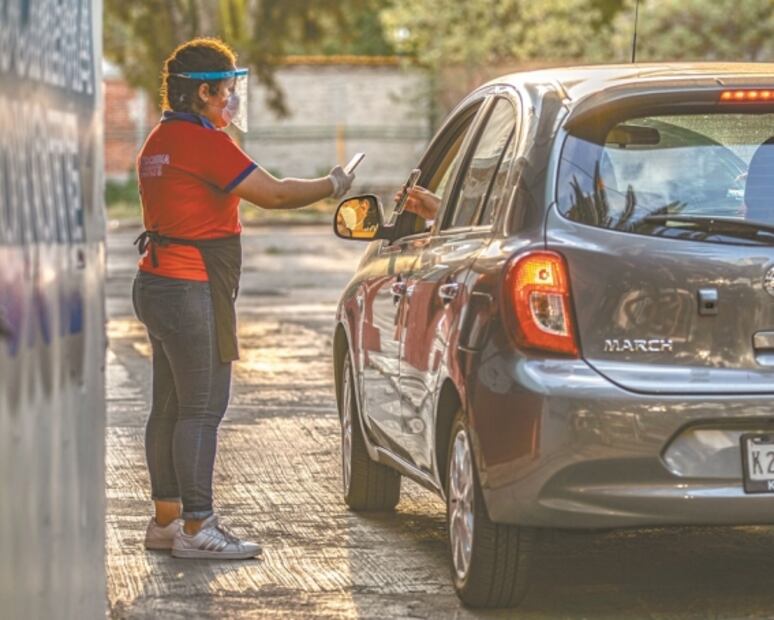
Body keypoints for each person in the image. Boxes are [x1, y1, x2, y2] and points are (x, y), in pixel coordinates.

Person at [132, 37, 355, 560]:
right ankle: (197, 526)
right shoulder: (203, 143)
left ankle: (166, 521)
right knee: (203, 408)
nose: (232, 102)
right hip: (191, 289)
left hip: (157, 285)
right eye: (227, 92)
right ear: (203, 93)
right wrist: (333, 183)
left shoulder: (159, 140)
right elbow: (273, 194)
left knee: (168, 405)